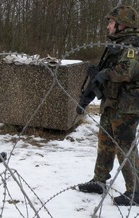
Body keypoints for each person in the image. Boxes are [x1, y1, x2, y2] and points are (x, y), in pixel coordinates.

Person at [78, 5, 139, 206]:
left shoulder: (132, 45)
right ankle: (99, 180)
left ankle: (136, 190)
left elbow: (127, 71)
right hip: (112, 102)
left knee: (125, 146)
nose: (108, 26)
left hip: (127, 106)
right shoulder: (117, 44)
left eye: (111, 22)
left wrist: (104, 75)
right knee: (105, 141)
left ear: (123, 25)